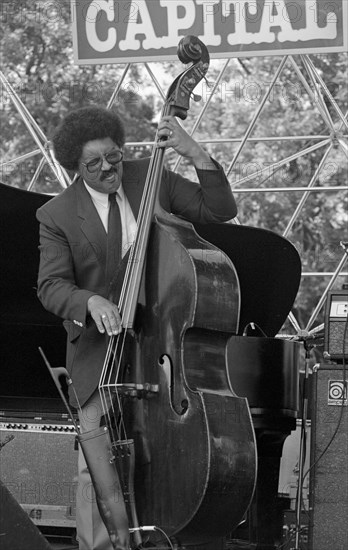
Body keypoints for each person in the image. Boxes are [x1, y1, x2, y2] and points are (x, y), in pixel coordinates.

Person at [36, 105, 237, 550]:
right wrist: (88, 300)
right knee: (96, 478)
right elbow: (51, 287)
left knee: (173, 462)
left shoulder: (153, 176)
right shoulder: (56, 215)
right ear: (74, 167)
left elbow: (220, 210)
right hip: (99, 359)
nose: (108, 168)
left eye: (114, 157)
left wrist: (196, 153)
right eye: (94, 164)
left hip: (161, 351)